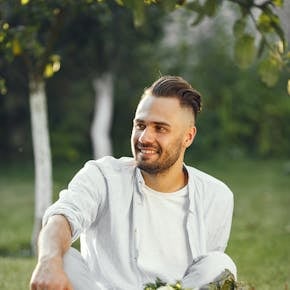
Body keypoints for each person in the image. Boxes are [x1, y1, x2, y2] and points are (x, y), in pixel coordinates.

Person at [30, 75, 237, 290]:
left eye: (160, 128)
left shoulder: (217, 196)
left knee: (220, 264)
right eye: (140, 125)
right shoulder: (102, 176)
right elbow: (61, 219)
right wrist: (48, 262)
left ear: (188, 136)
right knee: (63, 259)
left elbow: (203, 275)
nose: (144, 137)